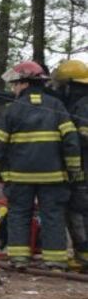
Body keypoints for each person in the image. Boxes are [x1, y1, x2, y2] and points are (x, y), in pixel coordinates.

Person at [0, 60, 80, 269]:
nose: (14, 88)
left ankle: (20, 259)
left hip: (19, 177)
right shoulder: (57, 107)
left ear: (24, 83)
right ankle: (55, 261)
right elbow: (71, 140)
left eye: (15, 84)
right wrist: (73, 169)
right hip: (54, 176)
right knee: (52, 216)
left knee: (19, 214)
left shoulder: (12, 111)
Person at [51, 59, 88, 269]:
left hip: (83, 170)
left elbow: (83, 136)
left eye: (60, 86)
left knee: (79, 212)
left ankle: (84, 256)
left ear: (70, 84)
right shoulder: (78, 103)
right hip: (81, 167)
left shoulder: (83, 105)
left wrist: (68, 135)